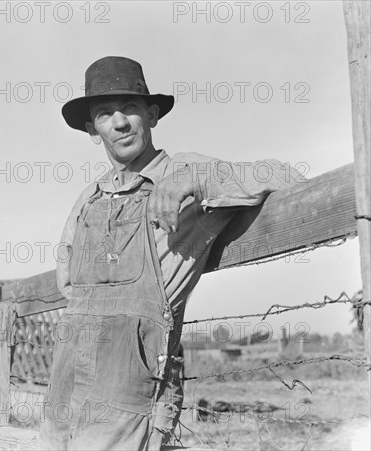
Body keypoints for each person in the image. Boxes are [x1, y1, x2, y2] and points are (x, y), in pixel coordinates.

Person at [38, 56, 303, 450]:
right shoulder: (89, 197)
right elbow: (68, 285)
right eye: (105, 114)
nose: (120, 122)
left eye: (130, 108)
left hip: (128, 393)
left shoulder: (184, 170)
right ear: (93, 130)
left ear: (153, 115)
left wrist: (193, 180)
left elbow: (286, 176)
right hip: (65, 386)